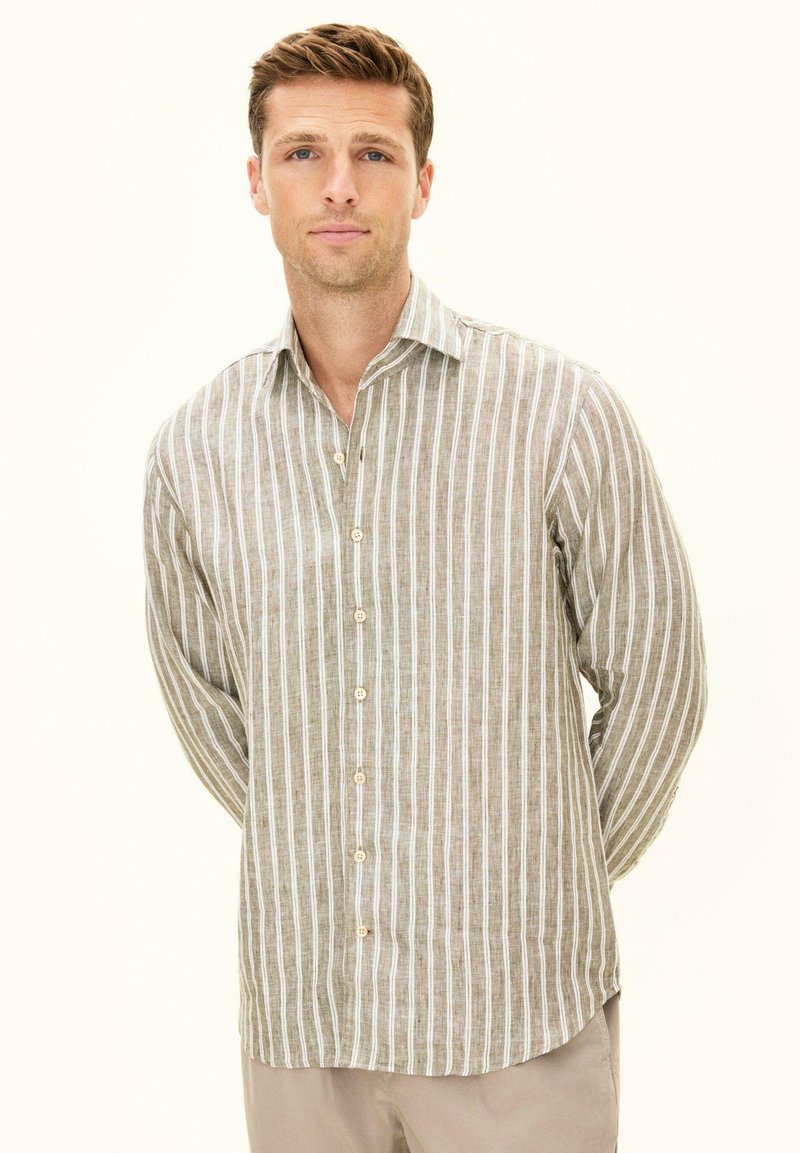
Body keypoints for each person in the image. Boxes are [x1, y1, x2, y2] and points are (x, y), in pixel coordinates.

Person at [141, 22, 708, 1153]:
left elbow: (660, 683)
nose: (338, 185)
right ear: (255, 182)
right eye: (303, 153)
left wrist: (533, 884)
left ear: (423, 182)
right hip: (306, 1026)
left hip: (518, 1027)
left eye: (374, 153)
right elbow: (209, 709)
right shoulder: (196, 449)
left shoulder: (556, 412)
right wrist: (335, 844)